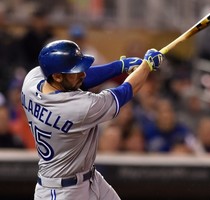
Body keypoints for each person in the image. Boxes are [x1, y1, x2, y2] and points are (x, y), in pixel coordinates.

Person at [21, 39, 163, 200]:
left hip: (89, 178)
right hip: (61, 192)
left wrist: (120, 66)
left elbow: (80, 81)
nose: (82, 73)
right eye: (76, 71)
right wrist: (146, 66)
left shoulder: (31, 82)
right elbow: (124, 92)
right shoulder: (78, 108)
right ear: (57, 76)